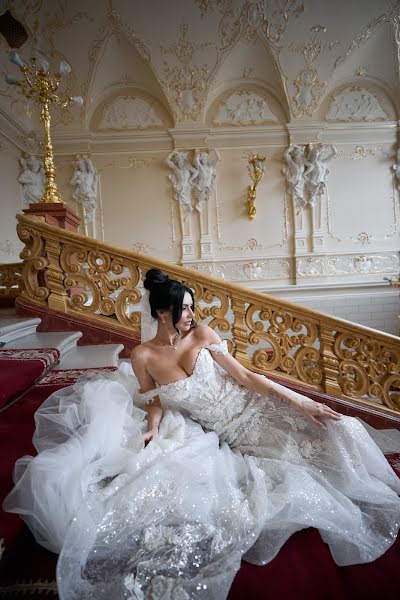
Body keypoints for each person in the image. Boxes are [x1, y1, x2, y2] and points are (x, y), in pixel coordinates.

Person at [3, 269, 400, 600]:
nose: (191, 315)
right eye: (184, 309)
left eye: (193, 307)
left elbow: (247, 377)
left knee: (338, 433)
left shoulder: (204, 335)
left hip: (255, 408)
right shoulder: (143, 356)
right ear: (161, 311)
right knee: (296, 472)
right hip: (229, 432)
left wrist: (300, 403)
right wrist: (152, 429)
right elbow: (153, 400)